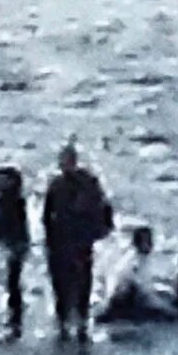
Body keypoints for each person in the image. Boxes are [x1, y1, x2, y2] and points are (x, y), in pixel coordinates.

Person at [41, 145, 115, 341]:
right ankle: (65, 320)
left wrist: (101, 229)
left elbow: (104, 208)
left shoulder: (86, 184)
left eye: (66, 161)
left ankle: (79, 319)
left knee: (81, 280)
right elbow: (47, 215)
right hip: (62, 241)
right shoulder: (58, 185)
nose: (64, 165)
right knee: (62, 282)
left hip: (80, 240)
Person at [0, 166, 31, 338]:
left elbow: (5, 222)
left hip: (14, 245)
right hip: (17, 244)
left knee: (13, 283)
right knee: (12, 282)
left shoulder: (9, 201)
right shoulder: (14, 199)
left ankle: (15, 320)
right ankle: (14, 318)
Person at [100, 225, 175, 323]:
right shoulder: (136, 262)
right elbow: (143, 292)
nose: (151, 245)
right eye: (147, 242)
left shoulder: (136, 258)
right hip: (125, 304)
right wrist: (165, 307)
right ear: (137, 243)